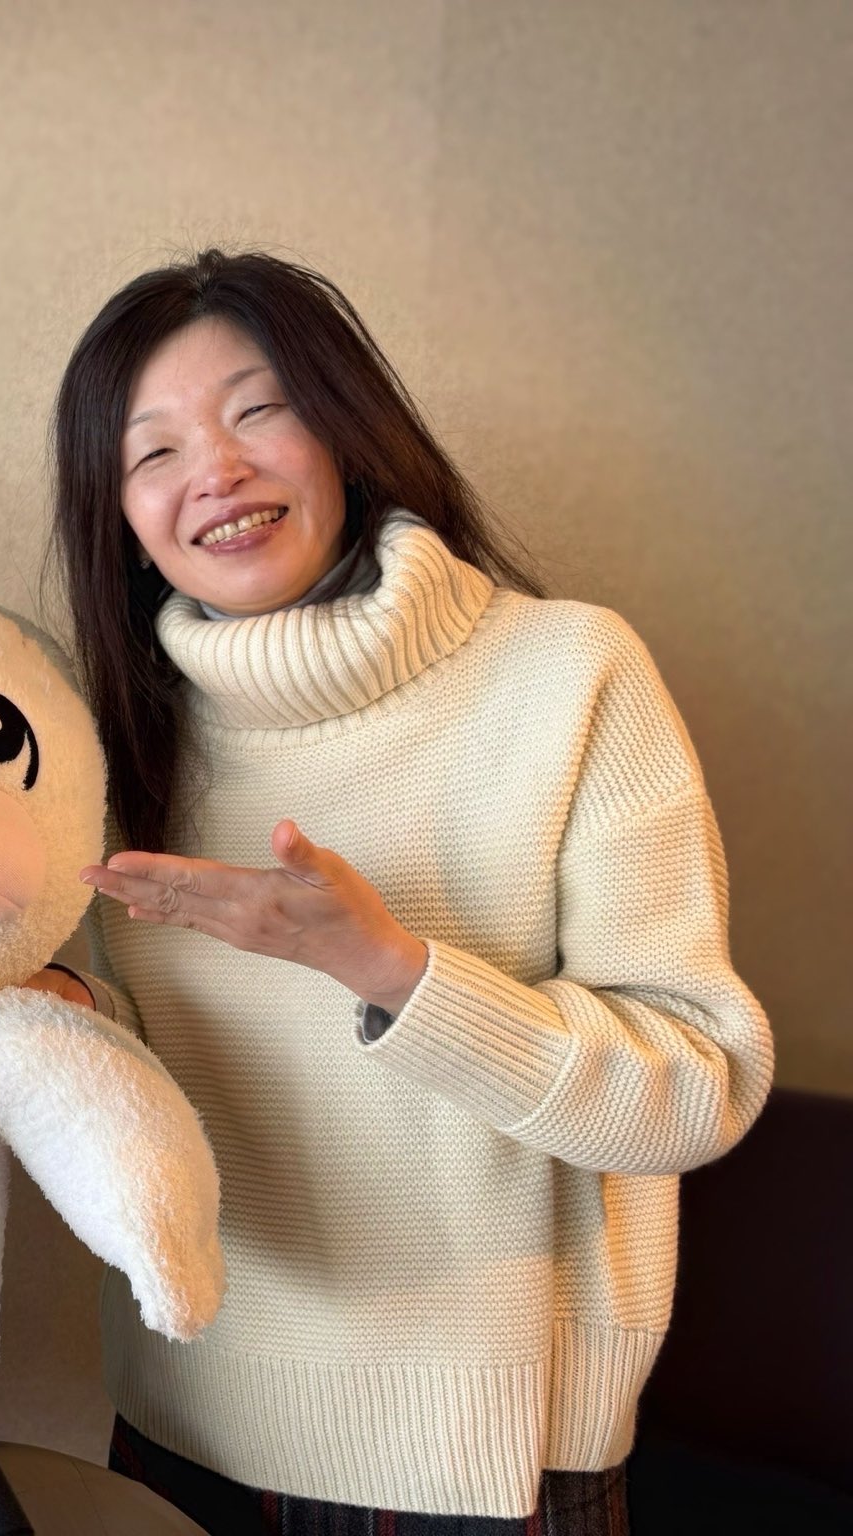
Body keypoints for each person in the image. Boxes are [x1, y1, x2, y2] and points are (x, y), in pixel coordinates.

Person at [48, 250, 773, 1535]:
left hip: (472, 1463)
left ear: (345, 428)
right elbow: (146, 1074)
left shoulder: (566, 673)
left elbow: (694, 1087)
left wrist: (389, 969)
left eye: (256, 411)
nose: (213, 470)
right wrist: (64, 1016)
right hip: (181, 1422)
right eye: (150, 452)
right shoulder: (111, 734)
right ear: (119, 517)